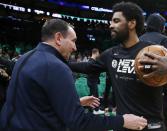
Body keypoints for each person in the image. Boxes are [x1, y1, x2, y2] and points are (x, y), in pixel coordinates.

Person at [0, 19, 147, 131]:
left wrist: (74, 102)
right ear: (58, 38)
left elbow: (32, 102)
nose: (75, 47)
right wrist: (122, 121)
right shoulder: (57, 67)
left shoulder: (25, 57)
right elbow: (78, 122)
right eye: (73, 41)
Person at [68, 2, 167, 131]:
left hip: (151, 127)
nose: (110, 25)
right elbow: (88, 67)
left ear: (132, 23)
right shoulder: (110, 54)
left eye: (116, 21)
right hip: (124, 126)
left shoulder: (153, 51)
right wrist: (61, 61)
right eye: (111, 21)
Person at [139, 13, 167, 131]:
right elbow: (165, 70)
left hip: (140, 90)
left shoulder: (140, 38)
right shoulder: (164, 39)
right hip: (160, 90)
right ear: (161, 26)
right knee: (165, 125)